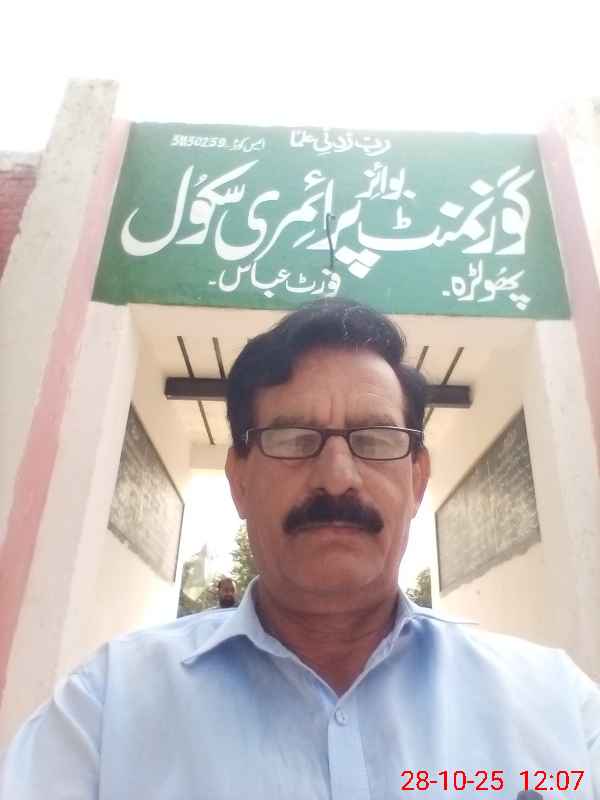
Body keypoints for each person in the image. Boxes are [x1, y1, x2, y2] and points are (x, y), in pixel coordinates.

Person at [1, 299, 599, 799]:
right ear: (239, 479)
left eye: (374, 439)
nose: (337, 478)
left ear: (418, 479)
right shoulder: (107, 709)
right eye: (292, 438)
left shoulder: (557, 709)